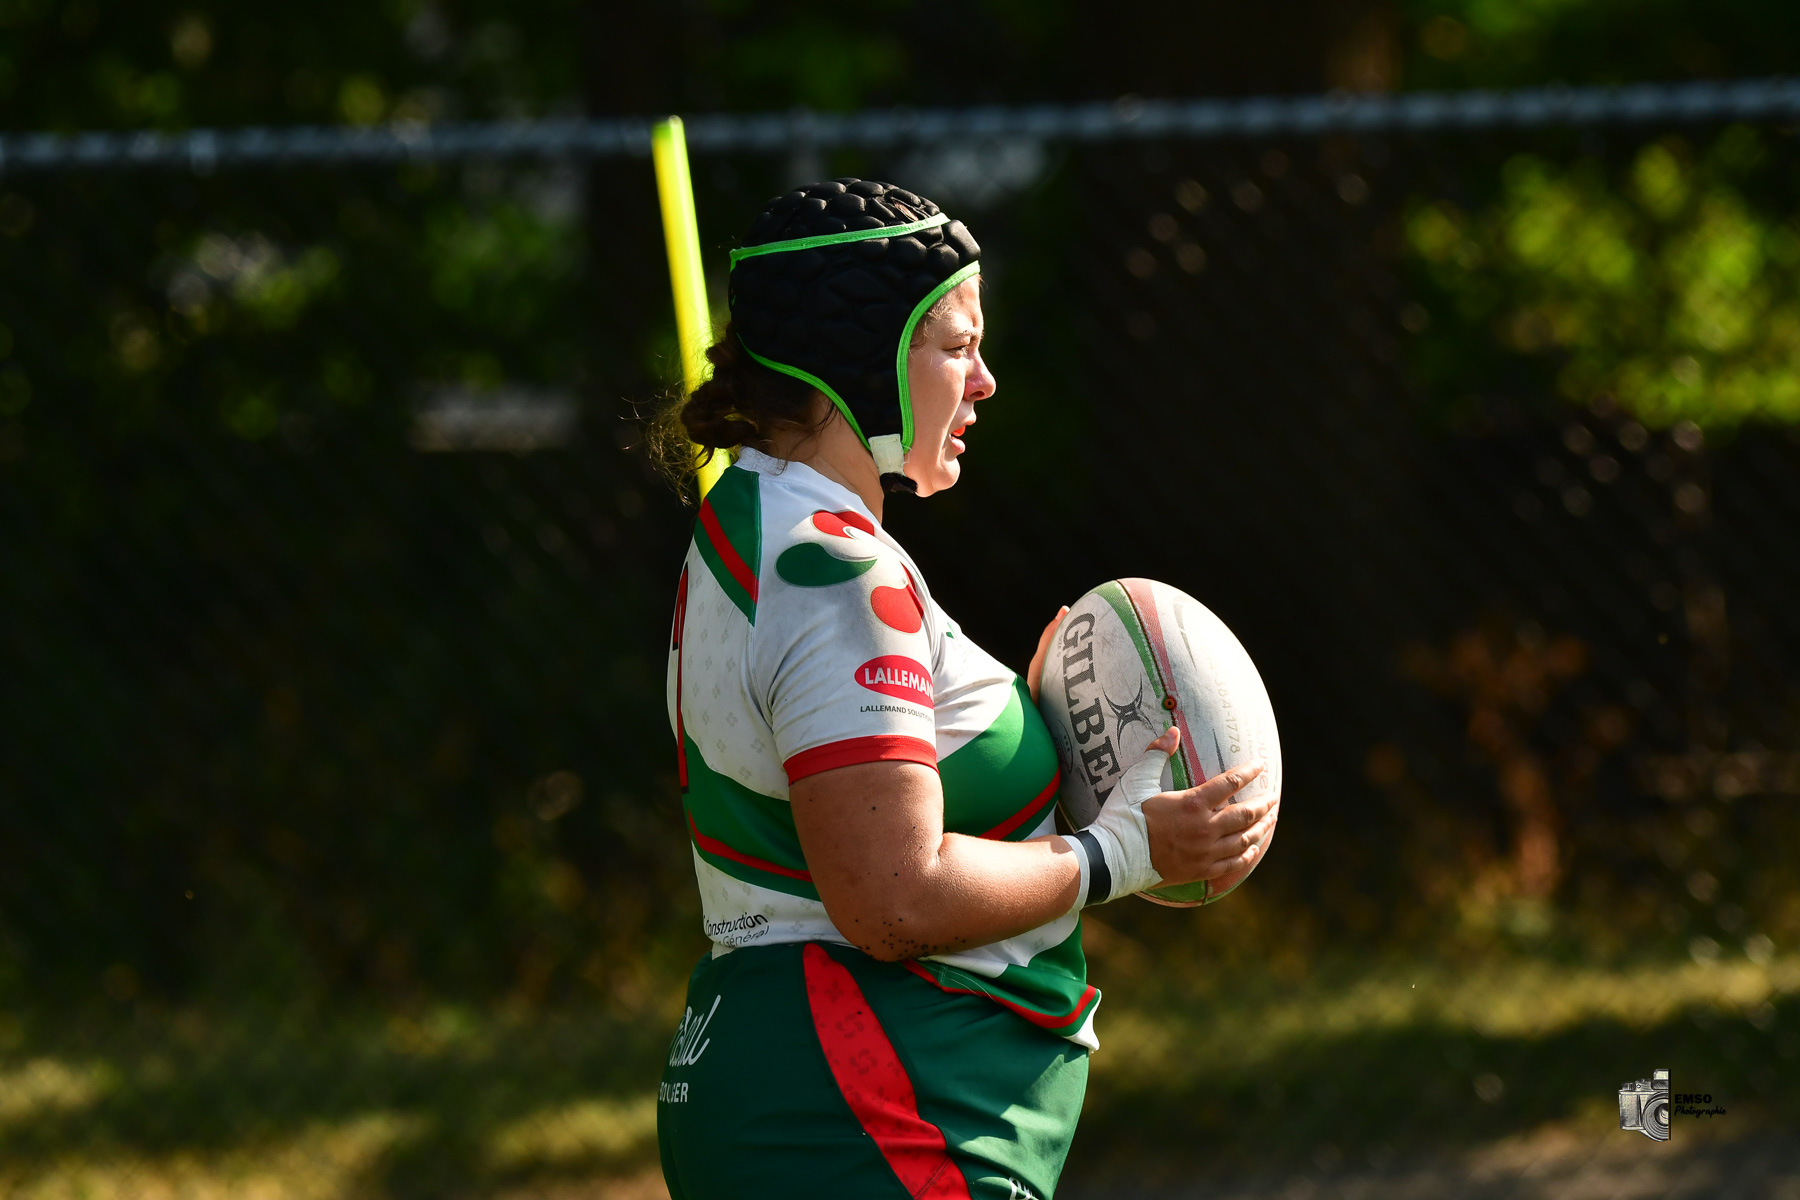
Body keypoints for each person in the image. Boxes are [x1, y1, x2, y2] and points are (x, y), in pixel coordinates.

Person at [651, 179, 1278, 1200]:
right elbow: (892, 899)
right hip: (871, 1110)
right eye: (956, 347)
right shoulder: (835, 571)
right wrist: (1128, 852)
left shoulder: (760, 526)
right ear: (860, 358)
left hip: (813, 1091)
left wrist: (1011, 713)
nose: (983, 382)